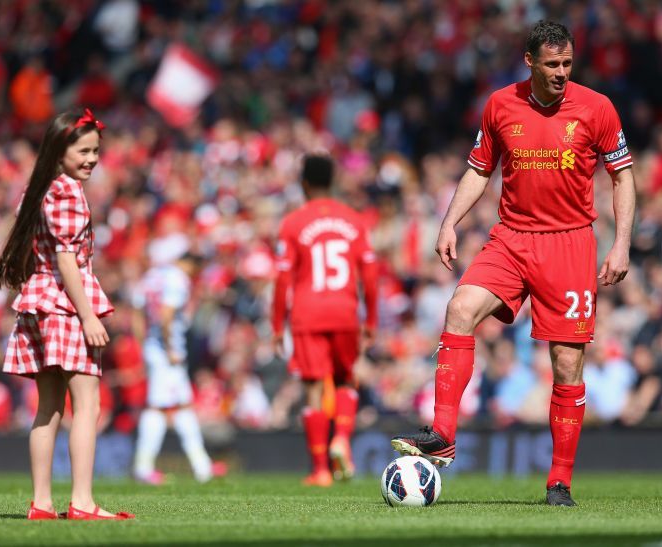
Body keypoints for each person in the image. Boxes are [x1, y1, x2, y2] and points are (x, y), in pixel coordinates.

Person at [390, 21, 636, 506]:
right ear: (530, 61)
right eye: (552, 65)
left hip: (569, 243)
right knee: (459, 308)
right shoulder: (501, 104)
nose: (562, 73)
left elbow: (622, 177)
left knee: (567, 363)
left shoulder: (597, 108)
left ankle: (559, 481)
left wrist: (622, 242)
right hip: (511, 238)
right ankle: (443, 433)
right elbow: (479, 169)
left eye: (567, 63)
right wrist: (448, 222)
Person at [0, 108, 134, 520]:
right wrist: (88, 315)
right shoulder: (69, 192)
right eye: (84, 150)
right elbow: (67, 258)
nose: (92, 159)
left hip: (38, 300)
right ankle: (83, 502)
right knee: (87, 405)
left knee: (48, 407)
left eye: (96, 151)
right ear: (61, 148)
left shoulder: (37, 190)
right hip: (65, 302)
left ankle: (41, 503)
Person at [272, 154, 379, 486]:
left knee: (313, 389)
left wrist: (277, 325)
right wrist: (370, 319)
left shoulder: (293, 223)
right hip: (345, 311)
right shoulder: (354, 220)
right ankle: (342, 437)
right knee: (346, 378)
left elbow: (282, 279)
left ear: (303, 183)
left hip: (307, 313)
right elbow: (371, 274)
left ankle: (320, 470)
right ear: (332, 181)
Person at [132, 233, 226, 485]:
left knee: (182, 404)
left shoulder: (152, 277)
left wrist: (145, 345)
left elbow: (138, 313)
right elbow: (166, 314)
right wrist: (169, 346)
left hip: (155, 347)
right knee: (158, 406)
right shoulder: (176, 279)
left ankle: (201, 465)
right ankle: (143, 466)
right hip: (166, 350)